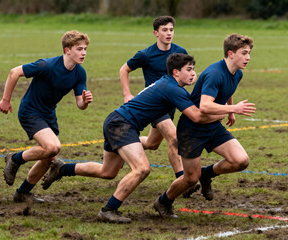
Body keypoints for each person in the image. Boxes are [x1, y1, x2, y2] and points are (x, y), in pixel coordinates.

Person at [42, 53, 225, 224]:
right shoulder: (172, 88)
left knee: (107, 171)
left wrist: (217, 109)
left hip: (117, 121)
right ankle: (108, 210)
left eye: (194, 69)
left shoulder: (171, 85)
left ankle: (62, 169)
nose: (194, 74)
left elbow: (199, 110)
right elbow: (196, 116)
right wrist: (228, 110)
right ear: (176, 72)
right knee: (142, 169)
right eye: (189, 70)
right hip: (122, 124)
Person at [153, 34, 256, 218]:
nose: (248, 57)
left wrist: (230, 111)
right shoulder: (215, 73)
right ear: (231, 54)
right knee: (190, 178)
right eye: (244, 53)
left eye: (249, 53)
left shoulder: (237, 72)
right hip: (193, 129)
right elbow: (205, 106)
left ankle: (207, 174)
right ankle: (163, 202)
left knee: (241, 161)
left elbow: (227, 90)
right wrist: (234, 108)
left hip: (213, 126)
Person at [0, 30, 93, 203]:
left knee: (48, 158)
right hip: (30, 111)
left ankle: (23, 193)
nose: (84, 53)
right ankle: (15, 159)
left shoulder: (80, 73)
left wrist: (85, 101)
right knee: (53, 148)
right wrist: (6, 100)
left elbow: (80, 105)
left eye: (85, 49)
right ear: (67, 50)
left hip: (48, 114)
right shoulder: (47, 65)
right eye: (79, 49)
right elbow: (14, 72)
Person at [118, 16, 190, 183]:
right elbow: (124, 70)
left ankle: (122, 146)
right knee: (173, 138)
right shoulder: (145, 54)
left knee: (152, 143)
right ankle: (181, 180)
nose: (169, 33)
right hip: (154, 106)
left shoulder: (181, 53)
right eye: (164, 30)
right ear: (156, 33)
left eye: (171, 30)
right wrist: (127, 94)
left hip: (172, 105)